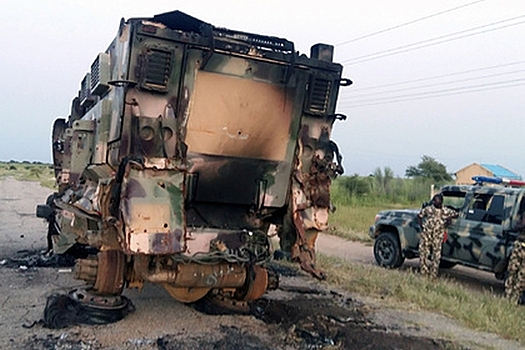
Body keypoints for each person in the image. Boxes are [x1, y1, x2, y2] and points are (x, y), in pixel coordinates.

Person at [417, 194, 458, 279]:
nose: (434, 201)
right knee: (423, 253)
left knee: (436, 256)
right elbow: (419, 216)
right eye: (434, 200)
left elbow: (456, 214)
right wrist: (422, 226)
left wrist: (449, 219)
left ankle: (433, 274)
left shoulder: (445, 211)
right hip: (427, 235)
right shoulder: (429, 209)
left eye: (436, 200)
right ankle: (424, 272)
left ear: (441, 201)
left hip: (438, 236)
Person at [505, 213, 525, 304]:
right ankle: (508, 296)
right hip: (519, 246)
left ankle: (515, 299)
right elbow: (516, 226)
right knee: (512, 270)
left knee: (522, 276)